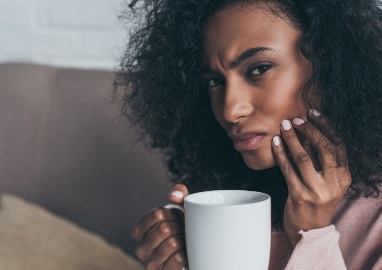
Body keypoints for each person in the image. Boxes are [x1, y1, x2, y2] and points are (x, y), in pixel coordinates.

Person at [114, 0, 382, 269]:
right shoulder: (247, 188)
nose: (230, 111)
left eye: (259, 69)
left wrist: (312, 235)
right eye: (214, 82)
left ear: (332, 61)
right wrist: (190, 256)